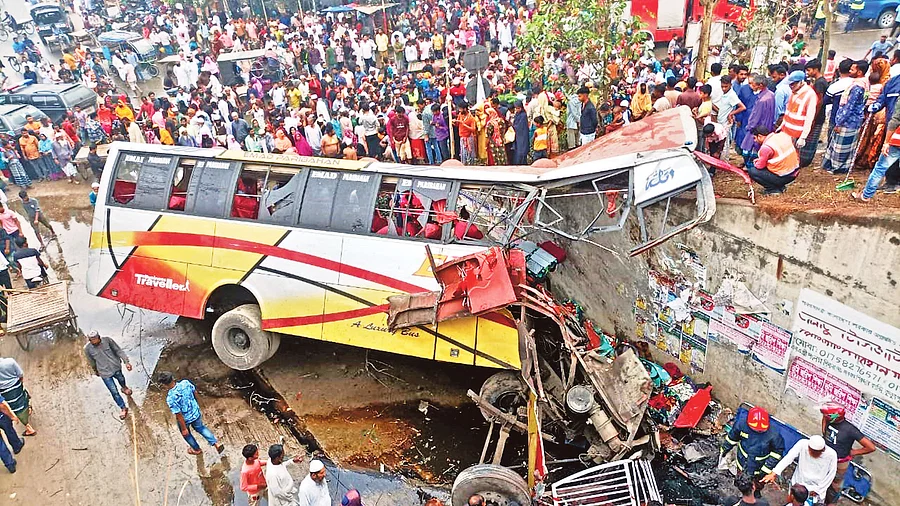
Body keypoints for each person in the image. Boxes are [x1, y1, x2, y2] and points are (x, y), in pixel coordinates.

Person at [819, 404, 876, 504]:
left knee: (835, 484)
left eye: (827, 415)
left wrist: (854, 452)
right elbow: (824, 420)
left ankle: (831, 503)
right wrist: (824, 432)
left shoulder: (850, 430)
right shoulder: (828, 420)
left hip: (840, 461)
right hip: (826, 457)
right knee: (821, 477)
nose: (825, 416)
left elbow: (871, 447)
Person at [157, 371, 224, 455]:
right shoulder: (185, 383)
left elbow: (179, 415)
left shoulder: (171, 398)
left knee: (186, 435)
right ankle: (216, 444)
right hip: (195, 412)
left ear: (164, 385)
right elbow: (195, 392)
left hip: (185, 419)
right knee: (201, 428)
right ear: (173, 378)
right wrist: (198, 404)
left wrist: (184, 429)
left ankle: (197, 450)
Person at [720, 406, 785, 491]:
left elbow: (777, 453)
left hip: (759, 469)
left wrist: (765, 470)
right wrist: (724, 449)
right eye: (756, 429)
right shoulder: (741, 425)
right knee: (740, 482)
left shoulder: (773, 434)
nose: (758, 431)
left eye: (761, 430)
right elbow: (732, 438)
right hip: (742, 463)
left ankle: (756, 493)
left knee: (757, 485)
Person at [823, 60, 868, 175]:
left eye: (852, 69)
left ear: (859, 72)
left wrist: (839, 122)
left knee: (842, 147)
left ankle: (838, 168)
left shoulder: (858, 87)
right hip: (852, 120)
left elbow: (849, 107)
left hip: (848, 122)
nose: (849, 71)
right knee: (843, 145)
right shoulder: (859, 83)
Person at [764, 435, 837, 504]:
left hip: (815, 489)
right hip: (798, 484)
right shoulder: (802, 444)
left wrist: (818, 490)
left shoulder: (831, 454)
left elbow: (831, 474)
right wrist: (774, 472)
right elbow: (789, 457)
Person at [83, 330, 133, 420]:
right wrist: (96, 371)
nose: (94, 341)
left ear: (99, 337)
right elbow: (91, 361)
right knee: (114, 391)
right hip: (104, 372)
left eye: (95, 339)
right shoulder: (87, 349)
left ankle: (124, 388)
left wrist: (126, 362)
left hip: (115, 367)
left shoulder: (108, 341)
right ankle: (122, 407)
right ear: (89, 340)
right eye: (92, 340)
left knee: (121, 379)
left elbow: (118, 351)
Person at [750, 125, 800, 194]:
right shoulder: (781, 136)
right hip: (794, 172)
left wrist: (757, 162)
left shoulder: (766, 147)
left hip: (784, 175)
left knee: (753, 171)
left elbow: (759, 166)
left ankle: (773, 189)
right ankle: (781, 187)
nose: (755, 141)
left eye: (755, 138)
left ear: (760, 136)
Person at [781, 71, 818, 152]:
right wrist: (782, 125)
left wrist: (803, 137)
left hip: (796, 134)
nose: (791, 86)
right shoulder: (794, 92)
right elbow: (789, 111)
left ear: (801, 82)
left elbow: (809, 118)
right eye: (790, 84)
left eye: (793, 84)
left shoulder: (810, 95)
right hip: (786, 131)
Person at [0, 357, 35, 437]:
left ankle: (28, 427)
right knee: (23, 399)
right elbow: (20, 375)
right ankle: (28, 412)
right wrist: (20, 383)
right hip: (17, 386)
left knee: (14, 407)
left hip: (5, 392)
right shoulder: (10, 362)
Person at [0, 391, 23, 473]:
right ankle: (17, 445)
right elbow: (2, 405)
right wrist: (12, 416)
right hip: (1, 417)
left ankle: (10, 465)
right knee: (9, 429)